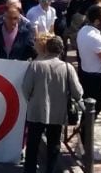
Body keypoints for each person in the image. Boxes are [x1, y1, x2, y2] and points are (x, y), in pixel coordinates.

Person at [23, 33, 82, 173]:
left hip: (36, 111)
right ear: (61, 50)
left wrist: (32, 100)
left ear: (47, 49)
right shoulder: (68, 68)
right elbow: (78, 93)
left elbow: (25, 89)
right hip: (57, 112)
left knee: (32, 144)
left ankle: (29, 170)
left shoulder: (35, 65)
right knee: (54, 145)